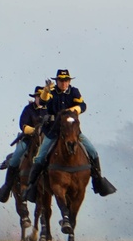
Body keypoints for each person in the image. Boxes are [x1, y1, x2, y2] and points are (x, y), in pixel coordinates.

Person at [24, 69, 116, 201]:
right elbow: (44, 102)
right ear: (57, 81)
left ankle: (98, 181)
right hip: (53, 132)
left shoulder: (74, 92)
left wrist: (72, 111)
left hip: (72, 131)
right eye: (61, 81)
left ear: (69, 81)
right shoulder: (51, 92)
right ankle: (31, 187)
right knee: (40, 158)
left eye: (66, 80)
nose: (63, 83)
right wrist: (45, 90)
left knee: (93, 152)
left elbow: (82, 105)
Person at [0, 86, 47, 203]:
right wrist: (33, 130)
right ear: (35, 97)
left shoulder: (49, 109)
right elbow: (23, 124)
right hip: (28, 140)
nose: (40, 98)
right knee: (16, 158)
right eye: (38, 96)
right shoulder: (28, 109)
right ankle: (6, 187)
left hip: (46, 140)